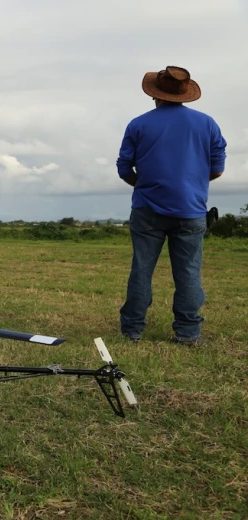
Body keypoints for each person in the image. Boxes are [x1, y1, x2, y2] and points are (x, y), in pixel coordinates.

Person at [116, 66, 227, 345]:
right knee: (189, 272)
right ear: (184, 95)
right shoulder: (207, 123)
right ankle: (188, 332)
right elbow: (217, 168)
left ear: (155, 95)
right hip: (191, 210)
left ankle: (132, 330)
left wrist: (141, 184)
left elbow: (123, 167)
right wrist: (194, 183)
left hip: (147, 209)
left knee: (142, 269)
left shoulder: (138, 124)